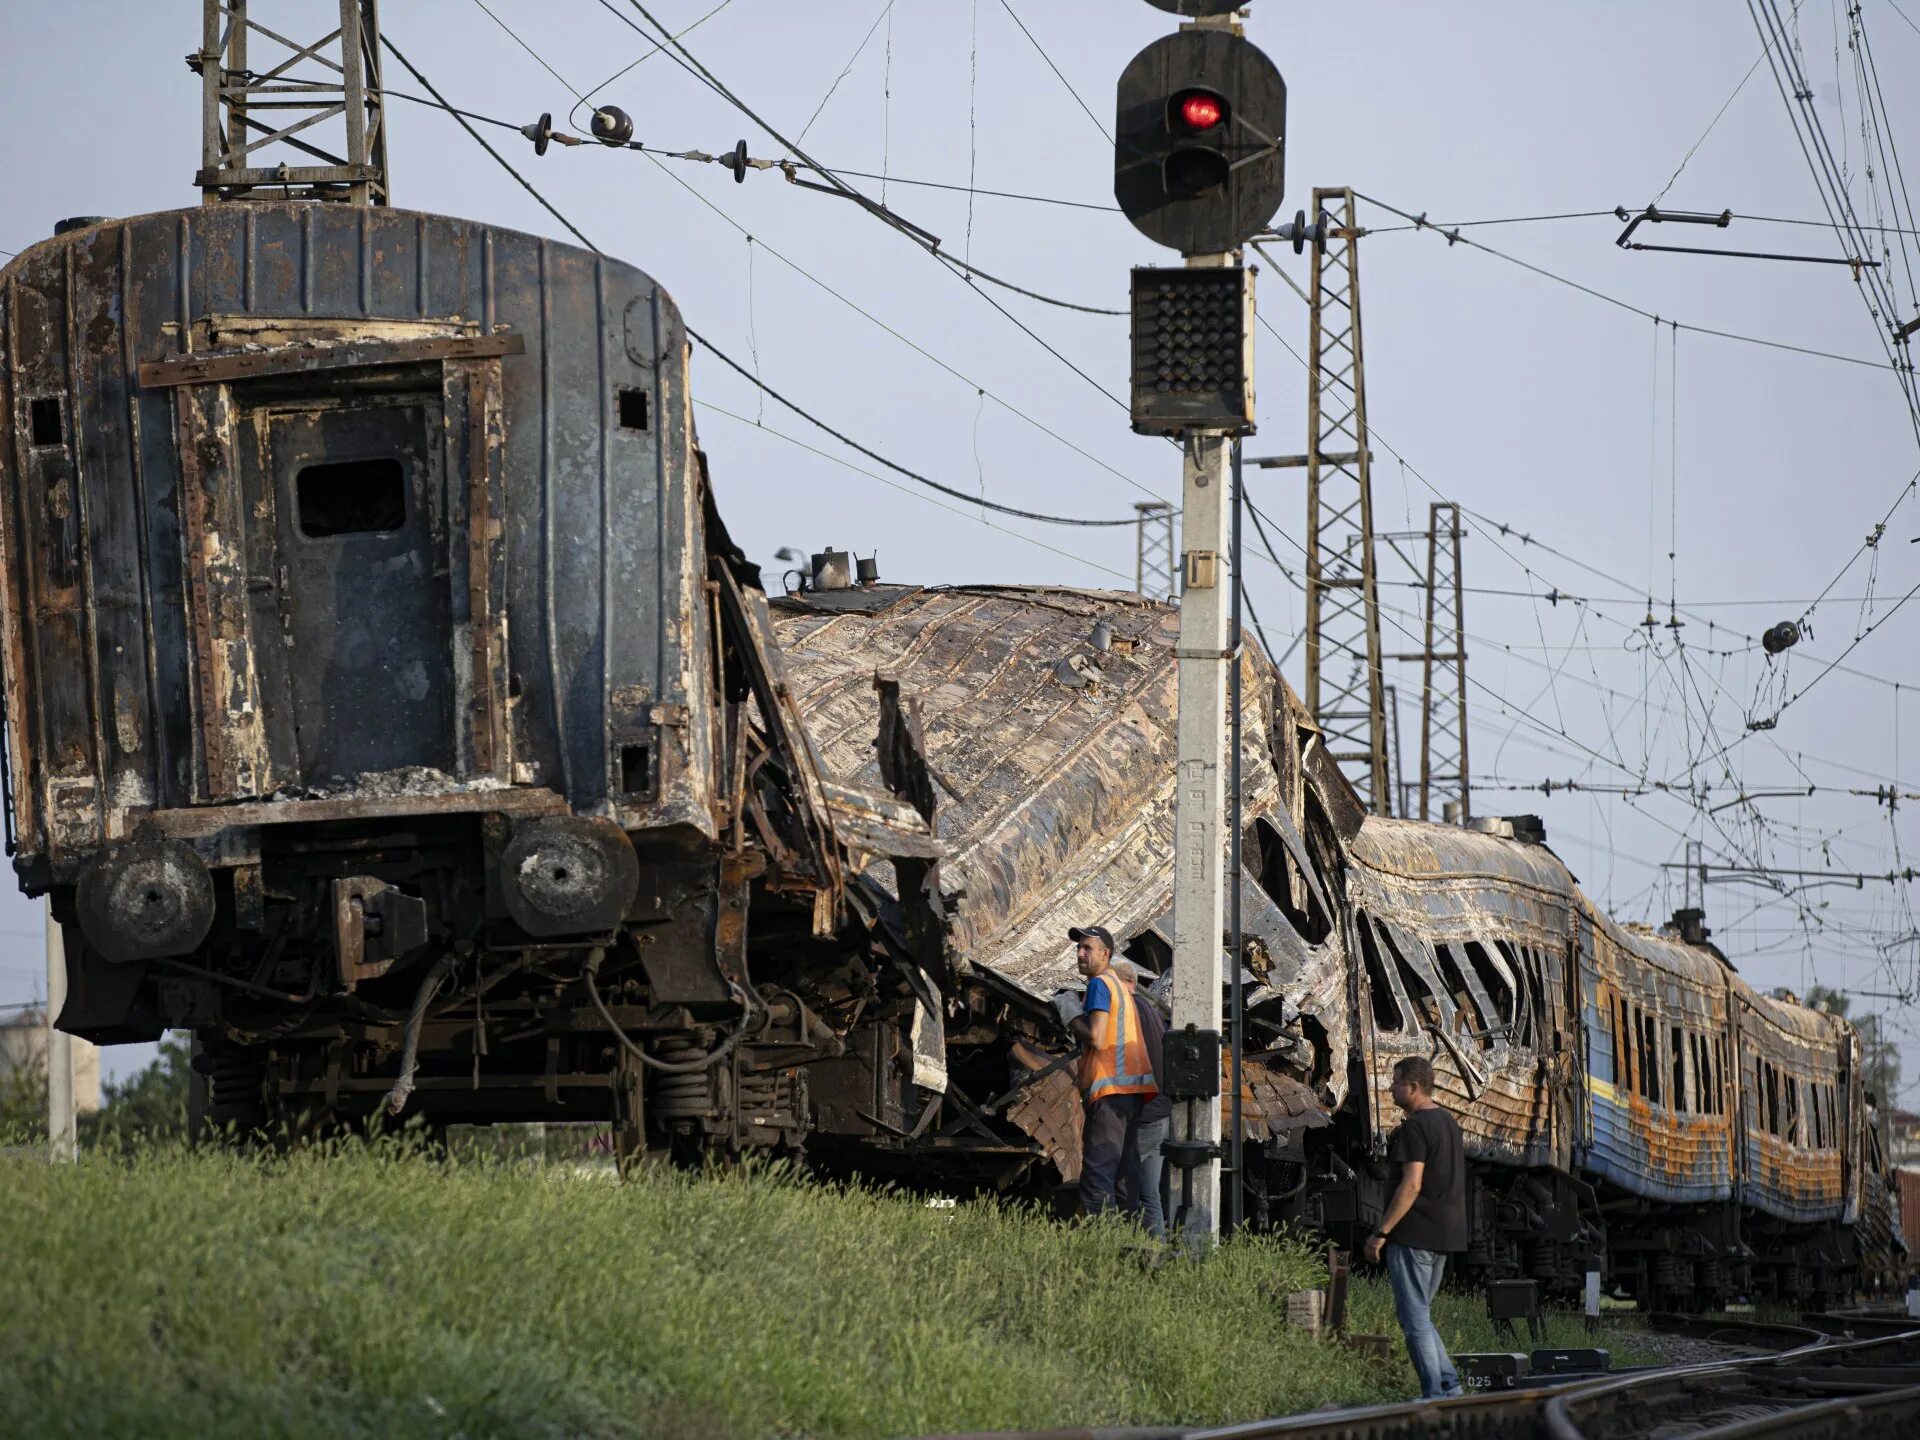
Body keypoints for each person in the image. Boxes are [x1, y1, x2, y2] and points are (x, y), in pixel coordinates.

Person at [1363, 1055, 1467, 1401]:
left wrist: (1382, 1232)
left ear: (1413, 1086)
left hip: (1415, 1234)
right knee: (1420, 1313)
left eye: (1395, 1083)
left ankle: (1434, 1394)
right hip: (1444, 1235)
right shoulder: (1449, 1124)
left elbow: (1411, 1184)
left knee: (1413, 1318)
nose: (1391, 1088)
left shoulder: (1415, 1127)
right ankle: (1450, 1386)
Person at [1067, 925, 1158, 1217]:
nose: (1080, 953)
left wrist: (1068, 1014)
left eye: (1087, 948)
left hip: (1110, 1092)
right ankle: (1127, 1239)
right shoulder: (1119, 987)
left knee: (1098, 1170)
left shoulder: (1099, 985)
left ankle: (1102, 1242)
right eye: (1079, 948)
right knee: (1124, 1172)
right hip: (1130, 1094)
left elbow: (1096, 1036)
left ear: (1105, 954)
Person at [1110, 957, 1172, 1239]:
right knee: (1151, 1195)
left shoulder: (1126, 1012)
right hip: (1160, 1115)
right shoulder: (1151, 1010)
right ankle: (1156, 1255)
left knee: (1121, 1190)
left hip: (1141, 1117)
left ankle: (1123, 1256)